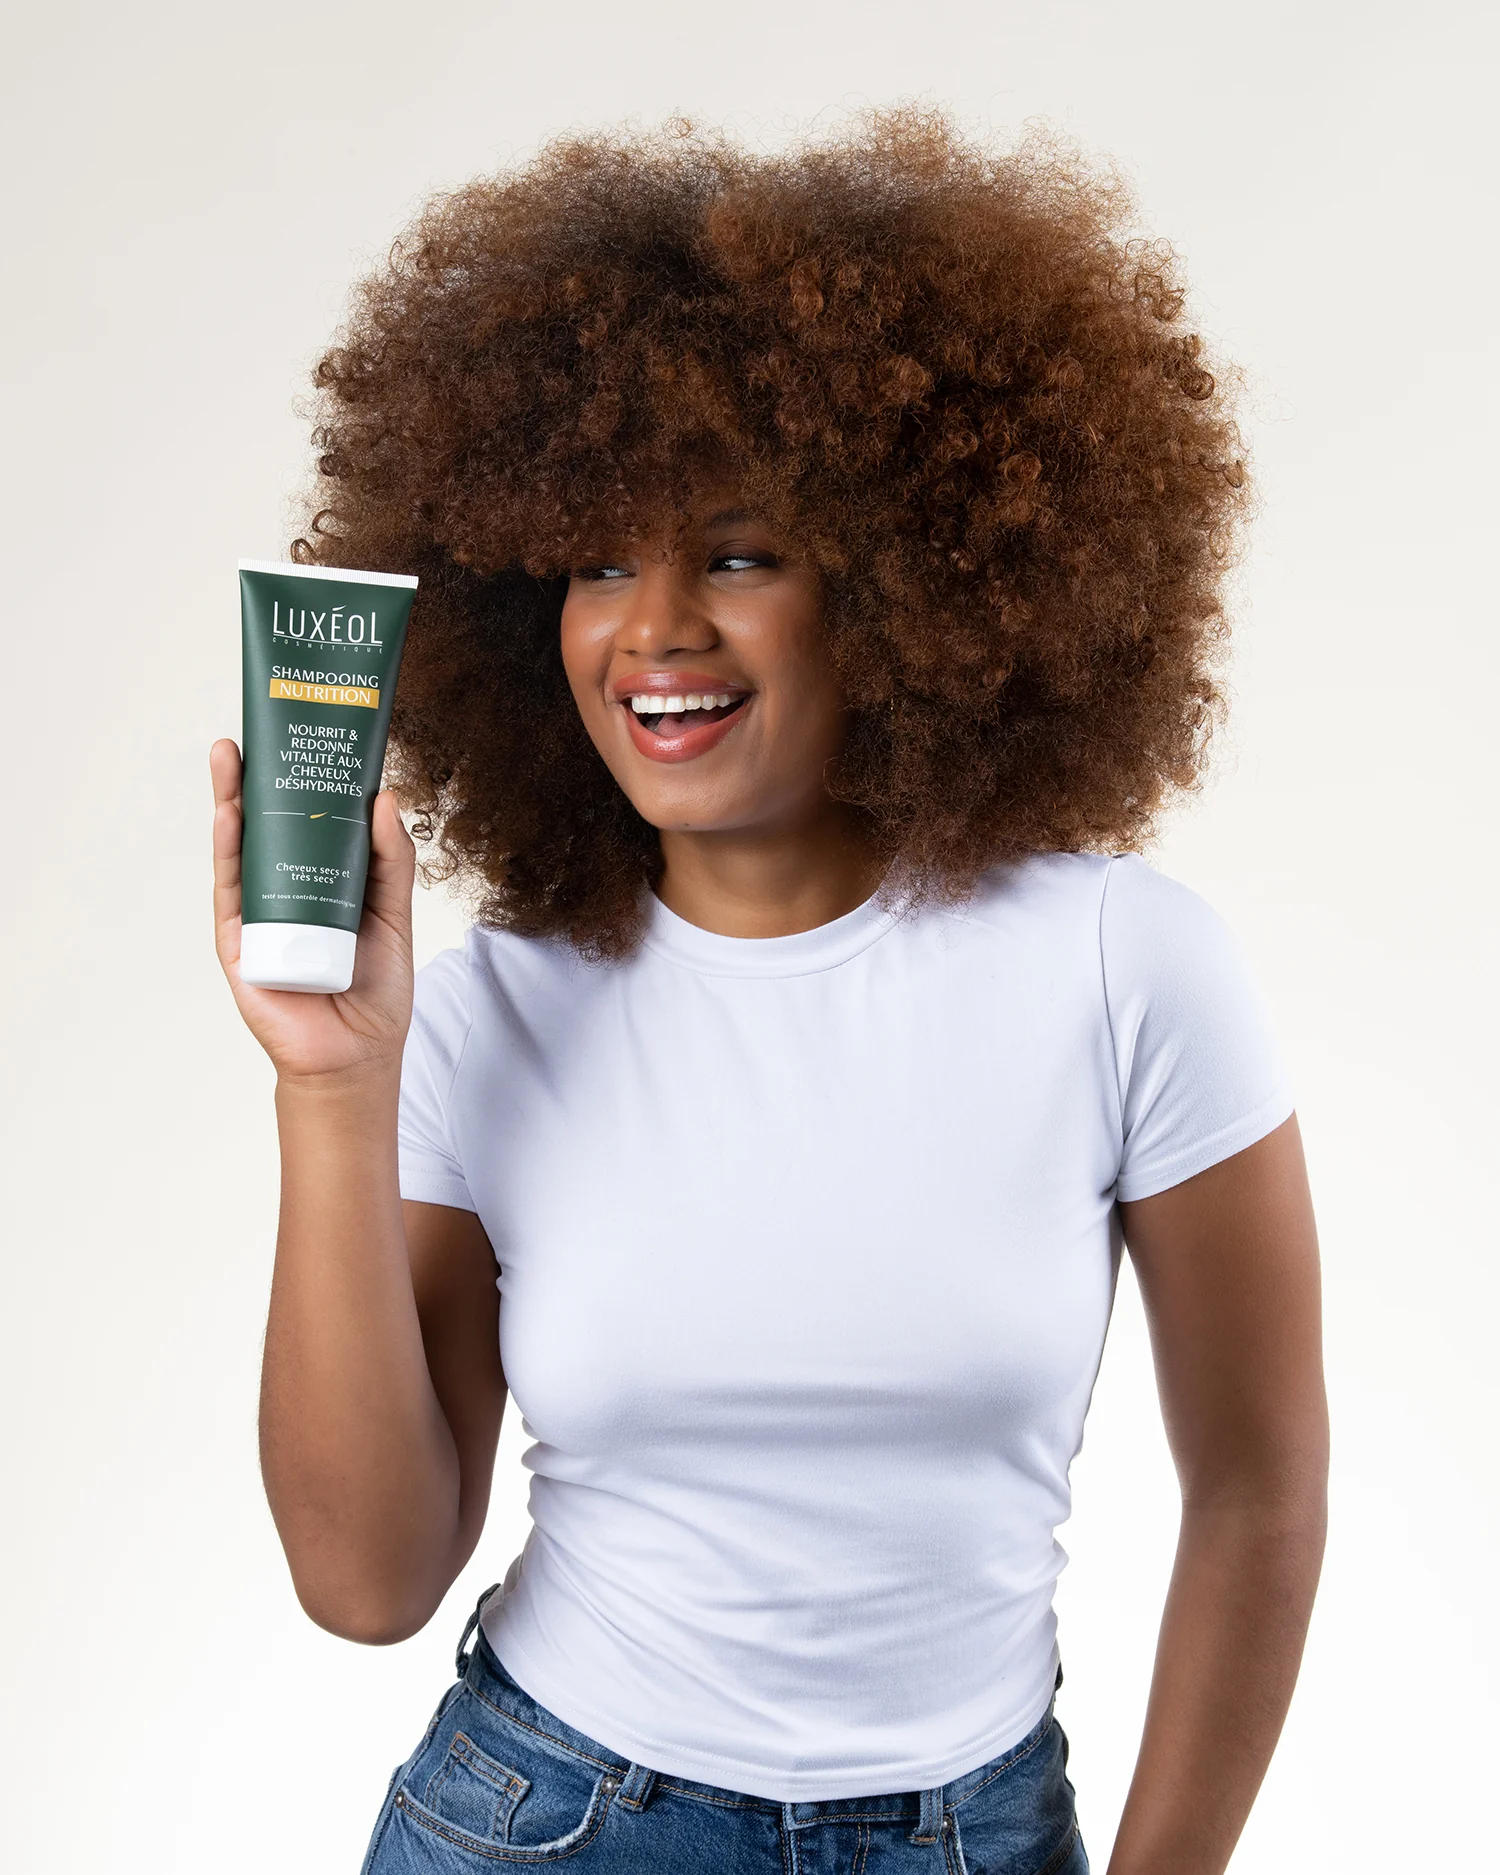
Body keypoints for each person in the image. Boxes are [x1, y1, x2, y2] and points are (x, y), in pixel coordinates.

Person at [211, 109, 1327, 1874]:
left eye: (737, 552)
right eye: (597, 560)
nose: (653, 625)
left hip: (972, 1832)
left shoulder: (1124, 964)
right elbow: (366, 1581)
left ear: (900, 586)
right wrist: (329, 1086)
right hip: (547, 1822)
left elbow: (1260, 1489)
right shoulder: (487, 1011)